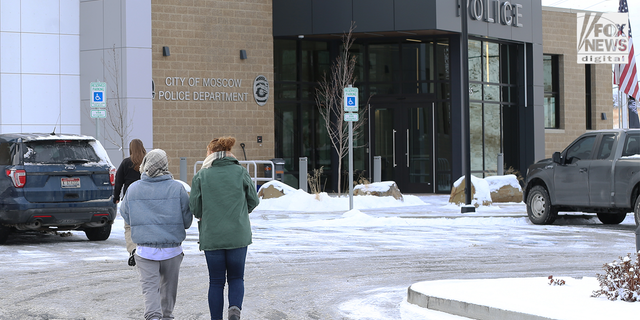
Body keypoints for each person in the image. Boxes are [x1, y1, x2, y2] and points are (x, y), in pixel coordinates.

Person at [189, 137, 260, 320]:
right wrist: (241, 212)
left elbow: (195, 209)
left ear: (211, 154)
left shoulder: (201, 176)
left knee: (216, 282)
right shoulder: (240, 172)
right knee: (237, 278)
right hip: (238, 235)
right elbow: (254, 200)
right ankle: (234, 310)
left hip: (212, 237)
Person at [121, 149, 192, 320]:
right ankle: (166, 316)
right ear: (165, 165)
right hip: (172, 250)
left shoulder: (133, 189)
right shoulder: (178, 188)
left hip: (145, 251)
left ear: (146, 164)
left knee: (150, 289)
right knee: (168, 289)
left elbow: (125, 214)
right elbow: (187, 221)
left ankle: (153, 316)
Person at [113, 139, 147, 265]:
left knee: (129, 227)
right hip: (145, 199)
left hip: (130, 200)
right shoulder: (147, 162)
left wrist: (116, 197)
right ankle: (146, 249)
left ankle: (133, 249)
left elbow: (118, 182)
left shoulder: (126, 163)